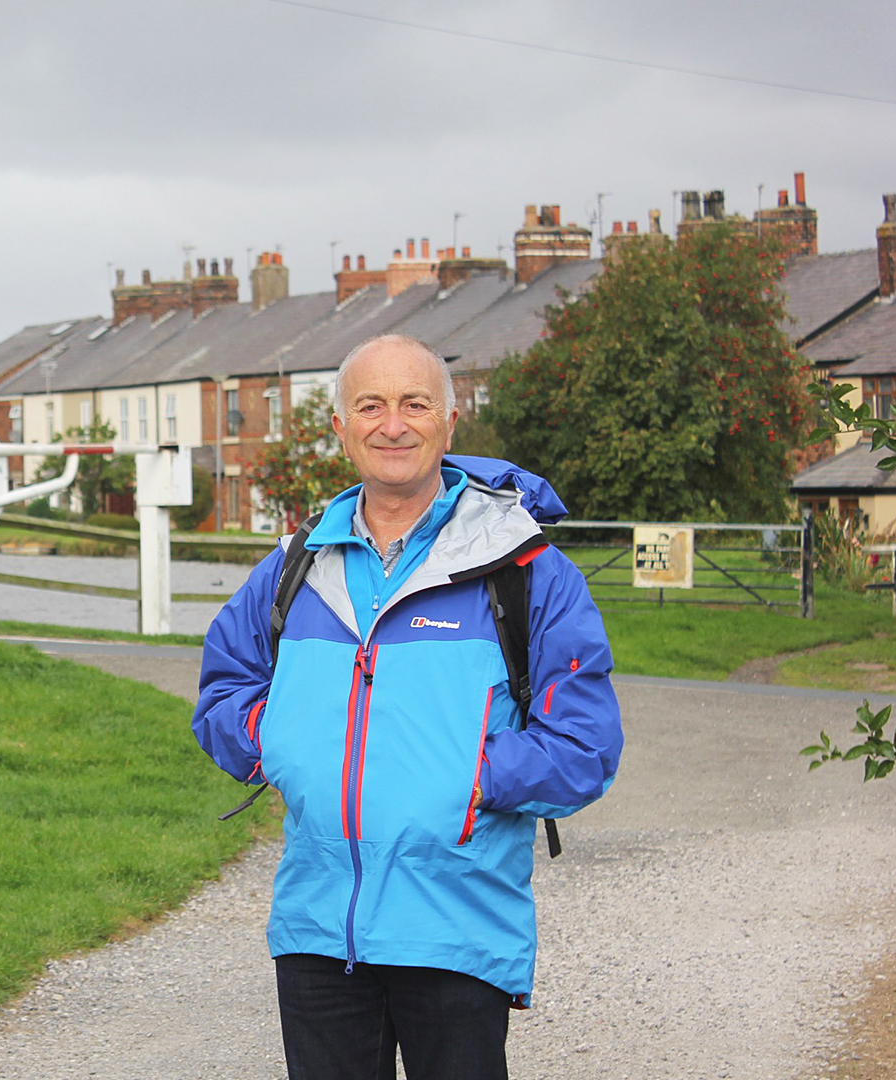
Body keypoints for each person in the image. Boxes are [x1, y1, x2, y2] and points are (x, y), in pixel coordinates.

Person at [191, 334, 622, 1080]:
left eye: (414, 404)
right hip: (319, 933)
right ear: (343, 429)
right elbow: (223, 689)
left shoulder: (524, 572)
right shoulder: (299, 565)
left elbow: (583, 748)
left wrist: (465, 772)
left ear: (449, 424)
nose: (394, 424)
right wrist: (284, 741)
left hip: (457, 930)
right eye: (372, 405)